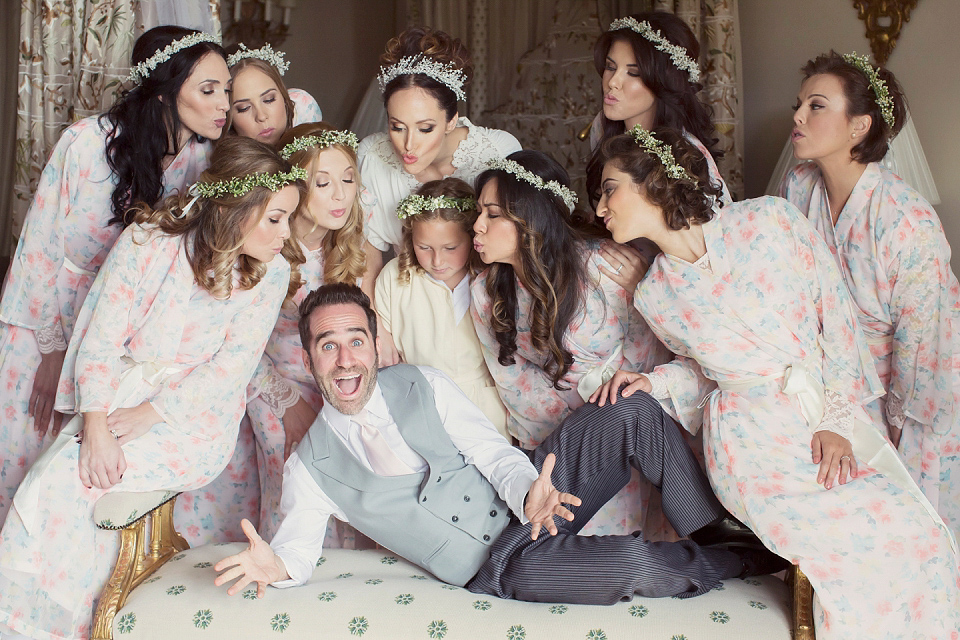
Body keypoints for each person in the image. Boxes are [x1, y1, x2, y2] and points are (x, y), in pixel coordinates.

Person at [592, 125, 960, 638]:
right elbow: (710, 374)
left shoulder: (768, 221)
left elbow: (835, 317)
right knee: (855, 554)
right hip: (750, 444)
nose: (600, 207)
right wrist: (655, 383)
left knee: (920, 533)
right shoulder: (656, 295)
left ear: (653, 180)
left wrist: (835, 421)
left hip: (819, 414)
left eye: (609, 188)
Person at [212, 283, 787, 606]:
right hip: (499, 566)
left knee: (629, 410)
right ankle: (753, 560)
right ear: (309, 357)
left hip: (534, 491)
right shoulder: (309, 466)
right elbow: (296, 553)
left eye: (355, 341)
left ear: (373, 342)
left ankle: (712, 526)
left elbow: (489, 452)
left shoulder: (420, 382)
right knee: (631, 561)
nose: (344, 360)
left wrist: (530, 494)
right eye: (327, 346)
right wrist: (278, 567)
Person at [0, 136, 302, 639]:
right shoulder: (147, 242)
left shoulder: (270, 275)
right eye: (275, 218)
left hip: (193, 420)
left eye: (288, 218)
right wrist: (95, 424)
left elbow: (228, 369)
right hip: (118, 395)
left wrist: (151, 414)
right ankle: (32, 620)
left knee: (73, 484)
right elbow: (100, 338)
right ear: (233, 209)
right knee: (49, 481)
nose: (285, 234)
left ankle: (62, 624)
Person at [0, 26, 230, 526]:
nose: (224, 104)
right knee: (27, 460)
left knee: (88, 477)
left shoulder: (199, 162)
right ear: (167, 91)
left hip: (118, 333)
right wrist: (53, 347)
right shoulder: (86, 143)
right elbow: (38, 250)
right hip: (47, 322)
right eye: (208, 89)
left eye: (226, 90)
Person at [780, 51, 959, 540]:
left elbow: (923, 344)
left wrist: (894, 426)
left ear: (859, 126)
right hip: (826, 381)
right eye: (799, 103)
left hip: (914, 397)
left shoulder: (906, 220)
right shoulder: (799, 187)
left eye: (816, 106)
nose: (797, 116)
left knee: (905, 531)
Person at [471, 150, 672, 538]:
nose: (477, 225)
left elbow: (648, 345)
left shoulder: (602, 267)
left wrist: (602, 409)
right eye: (480, 212)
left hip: (620, 418)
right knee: (553, 538)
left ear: (531, 217)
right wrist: (567, 432)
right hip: (552, 440)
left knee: (618, 541)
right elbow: (510, 376)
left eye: (492, 214)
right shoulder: (486, 291)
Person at [245, 122, 371, 541]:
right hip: (273, 388)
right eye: (323, 182)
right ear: (297, 186)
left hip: (340, 383)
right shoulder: (268, 248)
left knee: (351, 503)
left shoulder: (351, 245)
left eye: (348, 179)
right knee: (293, 502)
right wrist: (287, 400)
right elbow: (233, 345)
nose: (340, 194)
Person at [358, 26, 521, 274]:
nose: (408, 145)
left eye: (425, 128)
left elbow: (524, 244)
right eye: (397, 127)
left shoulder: (497, 152)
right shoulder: (372, 157)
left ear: (451, 121)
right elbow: (368, 260)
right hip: (407, 298)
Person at [374, 177, 509, 439]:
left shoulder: (491, 277)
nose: (437, 261)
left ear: (472, 237)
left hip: (484, 408)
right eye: (424, 247)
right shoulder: (396, 278)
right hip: (420, 406)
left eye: (450, 248)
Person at [225, 43, 323, 147]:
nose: (261, 116)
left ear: (283, 95)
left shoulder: (304, 110)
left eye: (269, 100)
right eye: (243, 108)